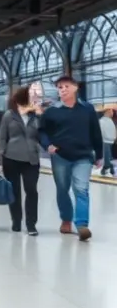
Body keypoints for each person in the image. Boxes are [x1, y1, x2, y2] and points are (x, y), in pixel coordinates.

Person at [39, 75, 103, 241]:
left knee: (81, 189)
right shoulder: (52, 111)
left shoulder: (87, 109)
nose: (63, 90)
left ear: (75, 88)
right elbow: (41, 131)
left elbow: (95, 131)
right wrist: (48, 145)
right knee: (63, 189)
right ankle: (66, 219)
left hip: (83, 156)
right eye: (60, 87)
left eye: (66, 86)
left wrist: (100, 155)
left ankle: (82, 225)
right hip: (60, 156)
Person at [0, 86, 43, 235]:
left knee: (32, 191)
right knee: (14, 192)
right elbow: (2, 137)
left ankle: (31, 224)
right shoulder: (9, 115)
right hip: (11, 158)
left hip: (31, 160)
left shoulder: (37, 116)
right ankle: (16, 221)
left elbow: (43, 135)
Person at [101, 108, 116, 175]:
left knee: (108, 155)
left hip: (111, 141)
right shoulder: (102, 121)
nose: (112, 113)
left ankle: (106, 167)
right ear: (107, 112)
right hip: (105, 141)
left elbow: (113, 130)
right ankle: (108, 166)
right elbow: (101, 132)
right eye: (111, 111)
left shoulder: (110, 121)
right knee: (107, 156)